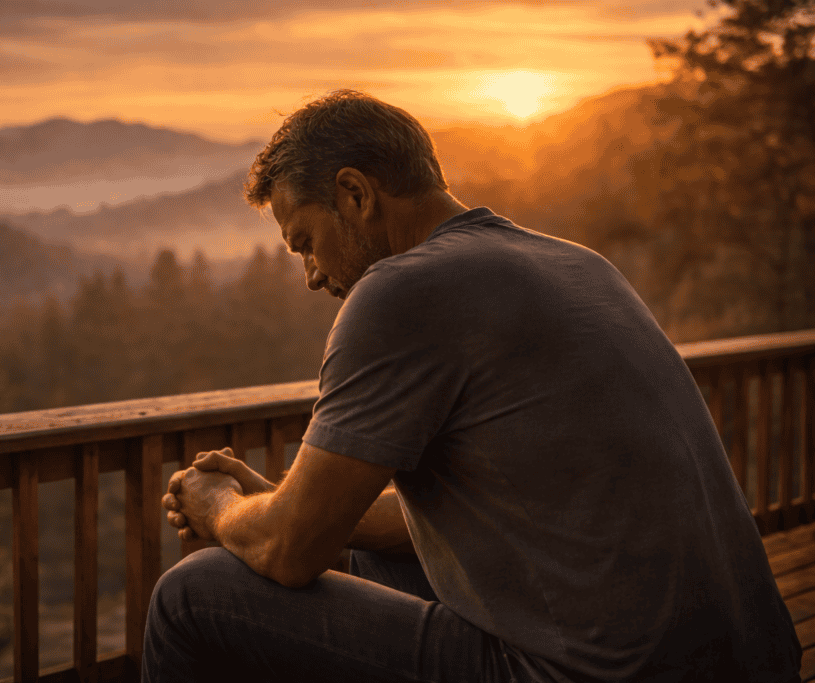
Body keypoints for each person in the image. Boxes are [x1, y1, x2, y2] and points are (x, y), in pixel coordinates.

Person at [144, 90, 801, 682]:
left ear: (356, 194)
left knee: (194, 594)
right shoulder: (576, 263)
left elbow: (290, 552)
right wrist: (281, 503)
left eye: (307, 243)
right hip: (751, 660)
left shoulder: (400, 290)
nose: (313, 275)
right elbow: (445, 518)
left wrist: (220, 505)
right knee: (372, 561)